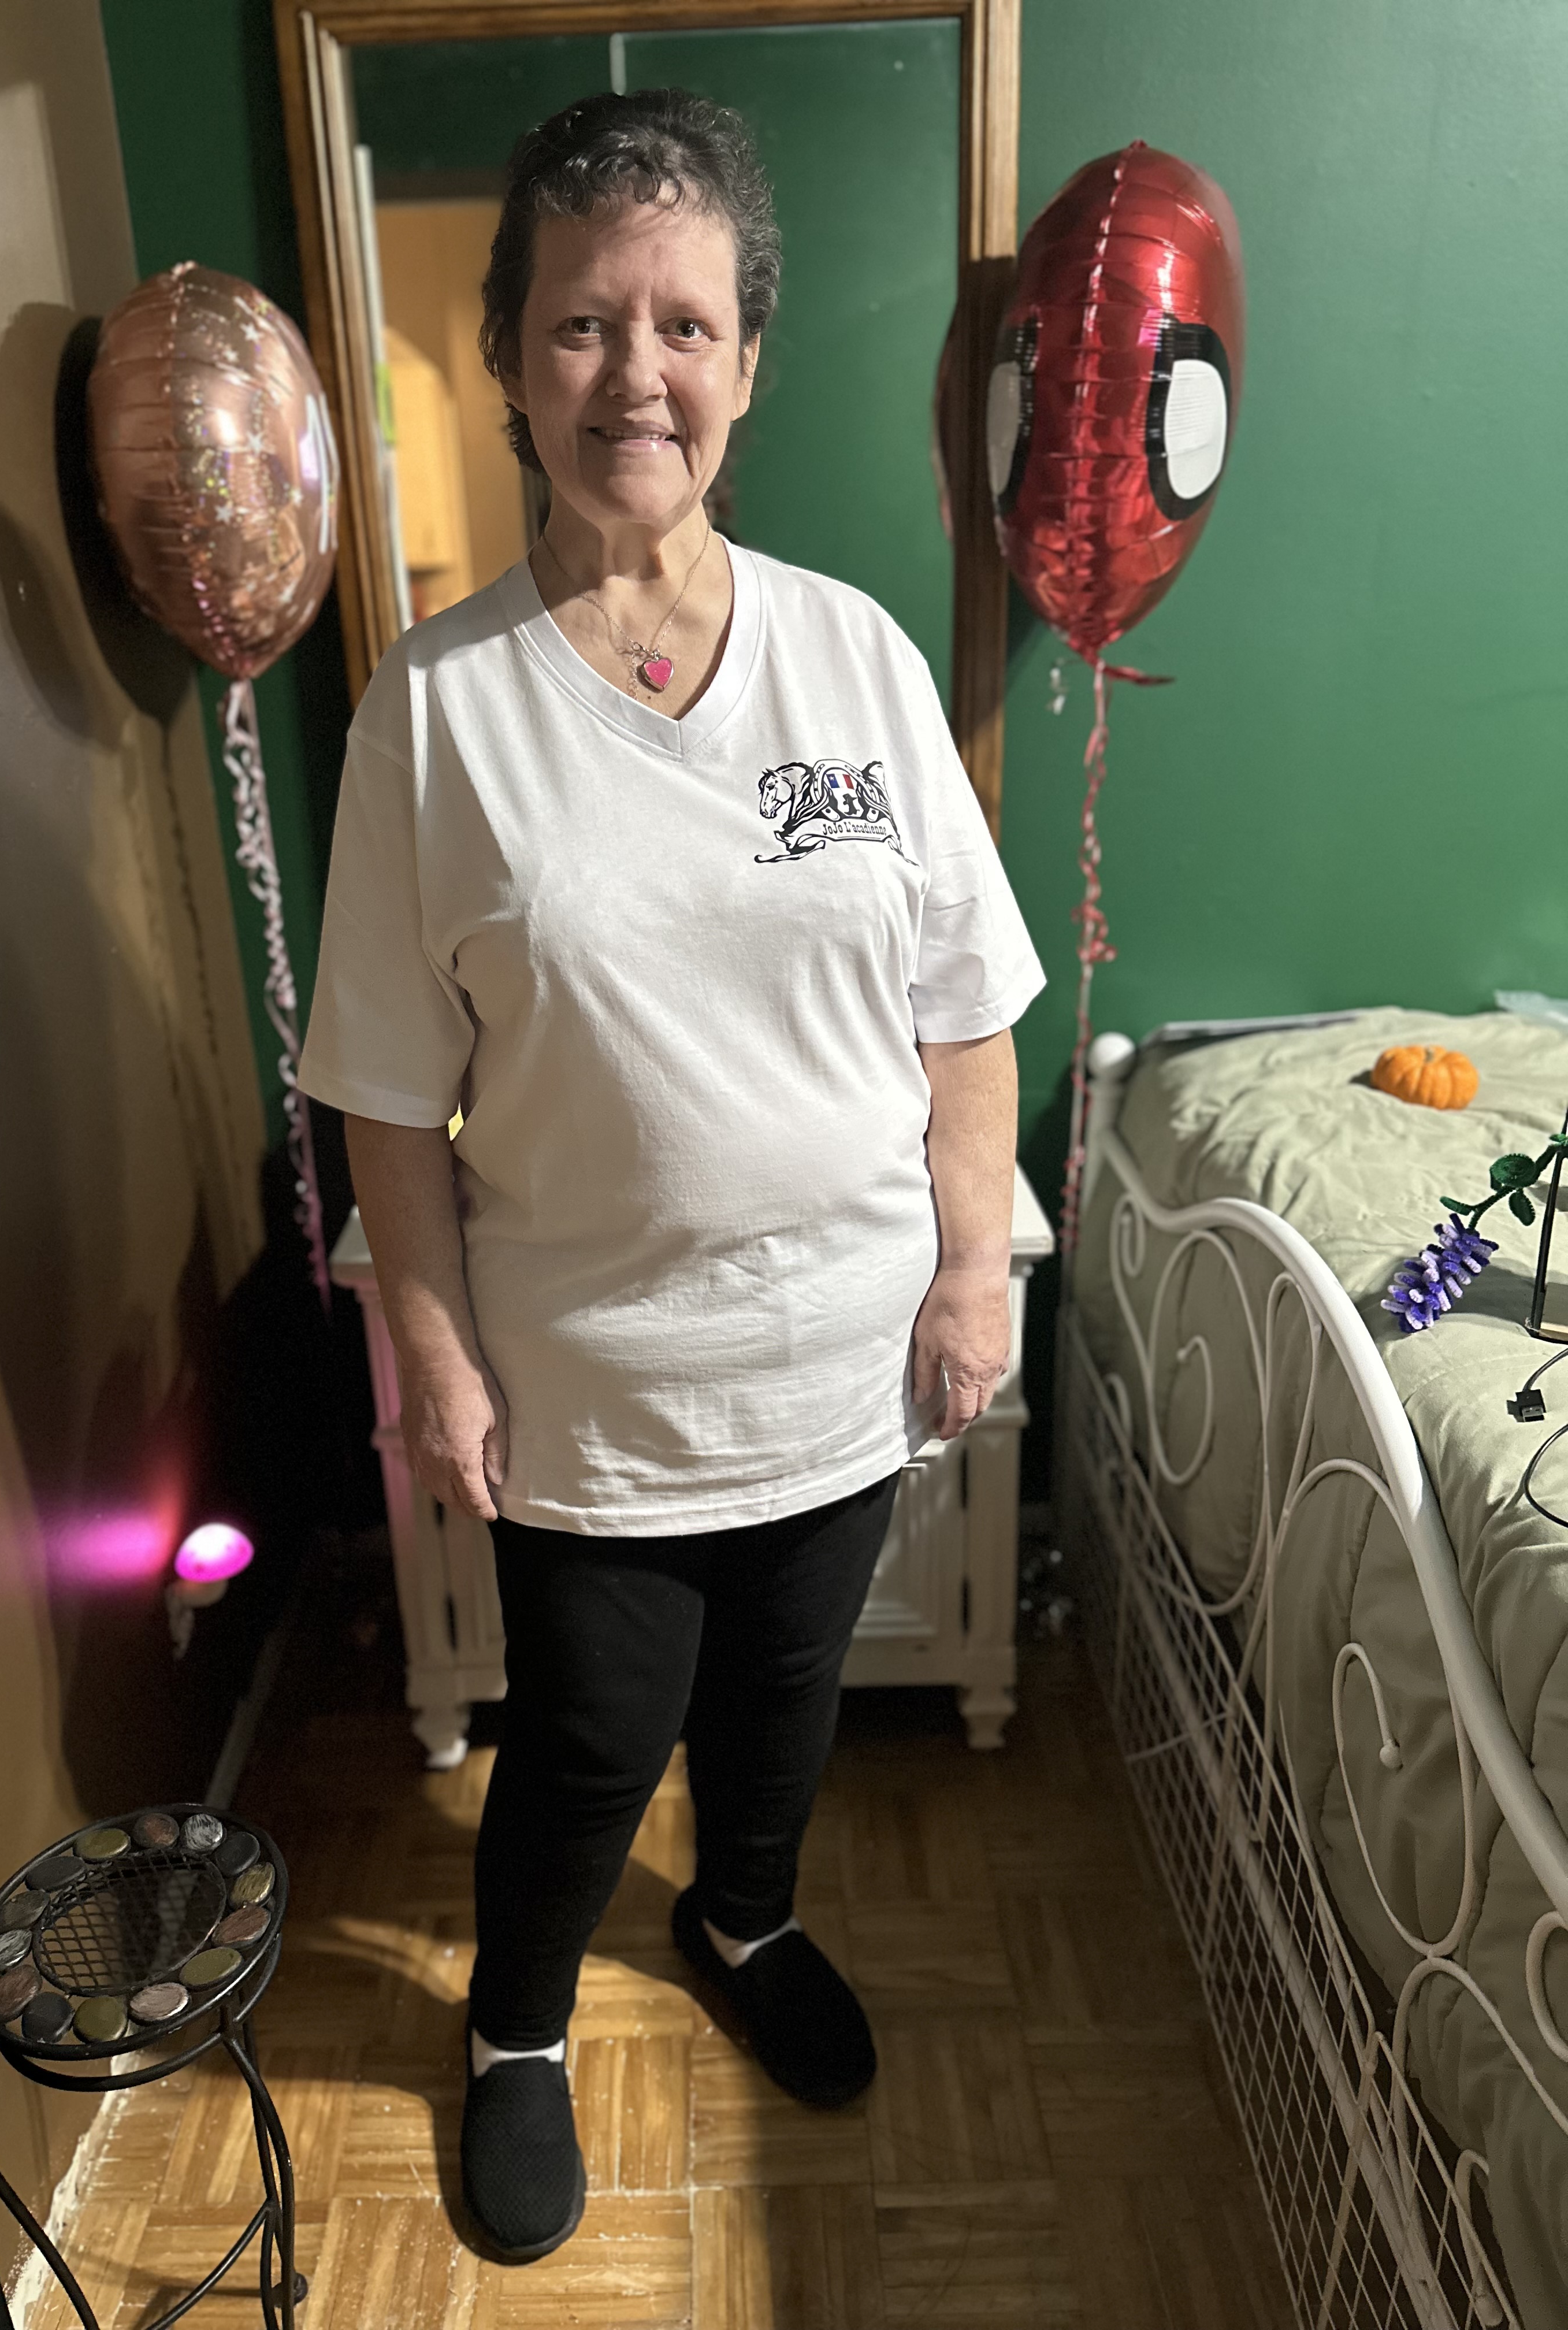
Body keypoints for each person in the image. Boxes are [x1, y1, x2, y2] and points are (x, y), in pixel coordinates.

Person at [298, 87, 1044, 2263]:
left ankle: (743, 1919)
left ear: (747, 362)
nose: (639, 373)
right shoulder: (434, 711)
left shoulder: (855, 657)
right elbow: (382, 1095)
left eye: (687, 326)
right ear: (513, 360)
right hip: (596, 1387)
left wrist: (971, 1269)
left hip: (843, 1357)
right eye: (584, 324)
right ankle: (516, 2030)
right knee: (589, 1741)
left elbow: (965, 1011)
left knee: (786, 1709)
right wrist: (438, 1359)